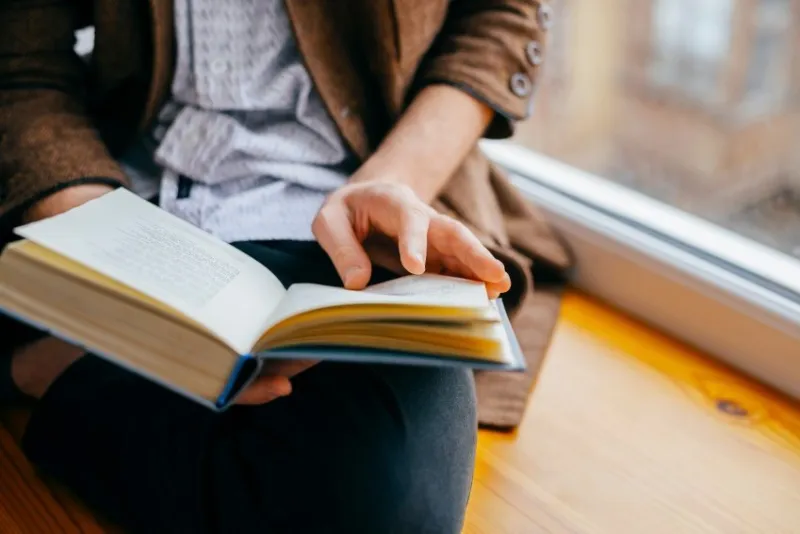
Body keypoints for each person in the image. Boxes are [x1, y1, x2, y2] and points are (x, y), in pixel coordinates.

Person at [0, 1, 563, 532]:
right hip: (122, 192)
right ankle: (85, 360)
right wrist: (110, 254)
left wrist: (393, 181)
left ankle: (50, 367)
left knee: (391, 496)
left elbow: (500, 14)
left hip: (359, 214)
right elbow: (22, 61)